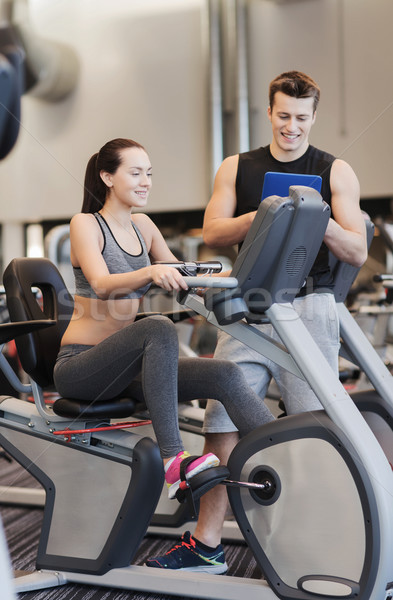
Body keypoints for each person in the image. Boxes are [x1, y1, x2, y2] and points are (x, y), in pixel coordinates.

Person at [146, 71, 368, 572]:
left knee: (316, 426)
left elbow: (357, 247)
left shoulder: (336, 171)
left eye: (301, 118)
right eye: (283, 115)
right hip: (249, 303)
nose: (291, 127)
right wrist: (262, 215)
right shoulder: (237, 167)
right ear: (269, 112)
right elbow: (212, 230)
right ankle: (207, 545)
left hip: (308, 305)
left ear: (314, 117)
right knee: (221, 421)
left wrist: (312, 214)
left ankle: (326, 542)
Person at [53, 137, 276, 504]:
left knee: (224, 373)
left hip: (130, 372)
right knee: (157, 325)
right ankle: (175, 461)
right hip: (82, 367)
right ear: (107, 177)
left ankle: (291, 451)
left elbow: (183, 275)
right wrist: (151, 272)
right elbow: (102, 284)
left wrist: (242, 275)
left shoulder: (144, 225)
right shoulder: (86, 224)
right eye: (135, 172)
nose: (146, 182)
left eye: (149, 173)